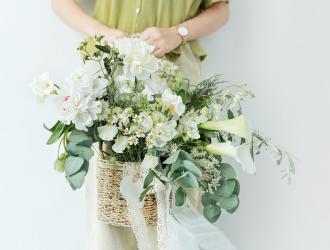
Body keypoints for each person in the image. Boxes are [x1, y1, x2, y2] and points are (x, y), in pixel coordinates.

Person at [51, 0, 230, 249]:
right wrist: (101, 32)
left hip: (174, 81)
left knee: (175, 191)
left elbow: (220, 9)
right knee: (110, 192)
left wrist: (177, 33)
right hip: (107, 77)